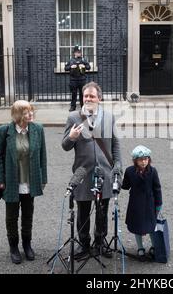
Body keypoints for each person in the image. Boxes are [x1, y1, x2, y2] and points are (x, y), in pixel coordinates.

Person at [62, 81, 122, 259]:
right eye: (85, 96)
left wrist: (117, 165)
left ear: (99, 98)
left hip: (104, 171)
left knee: (102, 209)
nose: (88, 99)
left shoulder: (109, 117)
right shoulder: (74, 117)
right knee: (83, 210)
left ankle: (100, 242)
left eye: (92, 96)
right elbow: (65, 146)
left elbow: (116, 145)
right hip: (83, 171)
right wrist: (71, 137)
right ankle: (83, 244)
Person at [0, 100, 48, 264]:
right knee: (11, 217)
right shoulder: (3, 131)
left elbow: (43, 155)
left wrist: (43, 178)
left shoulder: (37, 129)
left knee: (28, 215)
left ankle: (27, 245)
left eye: (31, 111)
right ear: (17, 115)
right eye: (26, 112)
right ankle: (14, 247)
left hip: (31, 181)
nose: (31, 114)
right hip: (11, 182)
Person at [121, 145, 162, 262]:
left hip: (150, 203)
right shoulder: (129, 171)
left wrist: (159, 204)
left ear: (149, 159)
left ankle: (154, 246)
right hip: (135, 204)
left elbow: (157, 188)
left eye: (146, 159)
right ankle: (140, 248)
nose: (144, 162)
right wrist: (119, 177)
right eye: (140, 159)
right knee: (137, 226)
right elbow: (125, 186)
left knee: (151, 227)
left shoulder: (153, 171)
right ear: (135, 160)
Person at [65, 45, 91, 112]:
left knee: (82, 94)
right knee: (74, 94)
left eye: (79, 52)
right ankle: (73, 107)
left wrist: (84, 66)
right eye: (77, 52)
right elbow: (66, 68)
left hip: (82, 79)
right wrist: (71, 67)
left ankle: (83, 107)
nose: (79, 53)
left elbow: (89, 67)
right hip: (73, 80)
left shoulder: (83, 60)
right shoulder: (71, 60)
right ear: (74, 53)